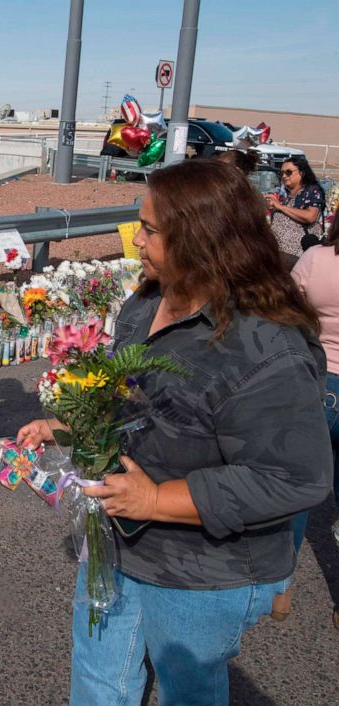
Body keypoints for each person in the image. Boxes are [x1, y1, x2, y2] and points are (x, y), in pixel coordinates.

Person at [17, 159, 332, 705]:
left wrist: (157, 499)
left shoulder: (265, 345)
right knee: (98, 679)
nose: (135, 239)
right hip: (117, 542)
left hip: (202, 571)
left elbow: (296, 478)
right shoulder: (145, 303)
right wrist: (67, 425)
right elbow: (130, 398)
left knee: (186, 693)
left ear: (200, 238)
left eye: (150, 229)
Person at [291, 214, 339, 627]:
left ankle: (279, 584)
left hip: (318, 381)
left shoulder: (315, 258)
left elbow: (287, 312)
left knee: (298, 487)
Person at [267, 155, 325, 266]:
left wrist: (280, 207)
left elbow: (310, 216)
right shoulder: (288, 196)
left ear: (302, 173)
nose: (284, 176)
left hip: (296, 257)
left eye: (288, 172)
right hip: (278, 254)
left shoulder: (311, 191)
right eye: (281, 173)